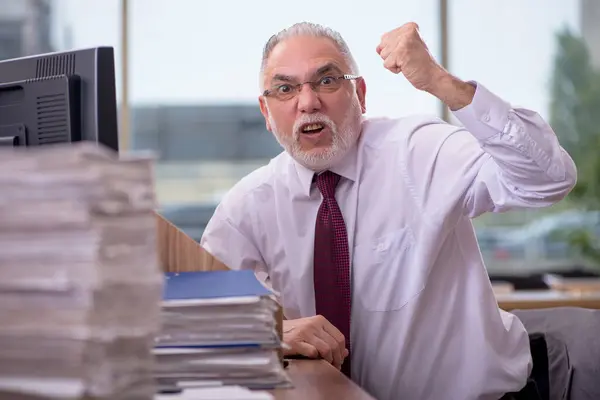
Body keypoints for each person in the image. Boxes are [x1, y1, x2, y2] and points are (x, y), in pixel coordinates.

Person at [200, 21, 577, 400]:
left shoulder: (418, 152)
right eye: (285, 89)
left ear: (360, 94)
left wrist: (440, 81)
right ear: (266, 112)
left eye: (327, 81)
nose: (308, 102)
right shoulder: (245, 209)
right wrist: (268, 331)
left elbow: (548, 179)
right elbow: (201, 323)